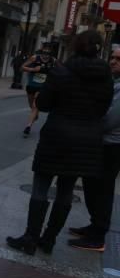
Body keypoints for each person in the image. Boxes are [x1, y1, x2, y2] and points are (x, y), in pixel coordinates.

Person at [7, 30, 113, 256]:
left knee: (41, 187)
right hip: (86, 141)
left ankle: (30, 238)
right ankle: (49, 240)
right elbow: (104, 109)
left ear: (76, 46)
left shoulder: (61, 71)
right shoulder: (106, 77)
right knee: (65, 191)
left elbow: (43, 104)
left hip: (57, 136)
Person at [72, 47, 120, 252]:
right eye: (112, 57)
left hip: (112, 145)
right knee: (92, 185)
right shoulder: (115, 82)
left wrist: (89, 126)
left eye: (119, 59)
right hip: (104, 142)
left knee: (102, 189)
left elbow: (111, 118)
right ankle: (94, 226)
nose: (113, 61)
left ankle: (98, 236)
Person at [21, 45, 56, 138]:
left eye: (48, 53)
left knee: (35, 106)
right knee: (31, 105)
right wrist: (33, 69)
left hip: (43, 87)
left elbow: (58, 71)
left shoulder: (53, 61)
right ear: (41, 52)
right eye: (44, 53)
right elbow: (22, 67)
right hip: (31, 85)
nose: (46, 55)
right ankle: (35, 116)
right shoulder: (34, 58)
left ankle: (28, 127)